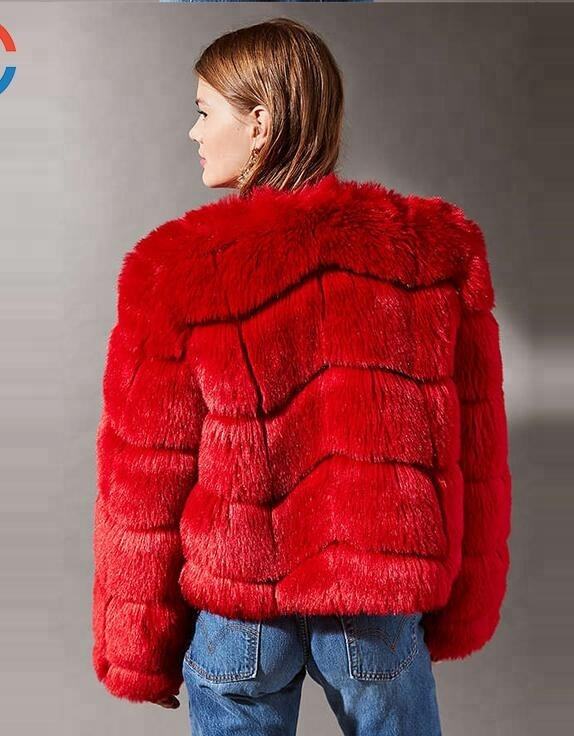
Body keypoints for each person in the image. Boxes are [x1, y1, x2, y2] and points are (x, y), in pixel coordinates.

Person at [90, 17, 512, 736]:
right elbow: (476, 447)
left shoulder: (176, 271)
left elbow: (143, 484)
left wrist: (137, 649)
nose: (193, 132)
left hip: (240, 609)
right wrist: (463, 608)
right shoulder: (429, 253)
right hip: (374, 607)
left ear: (259, 122)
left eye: (204, 111)